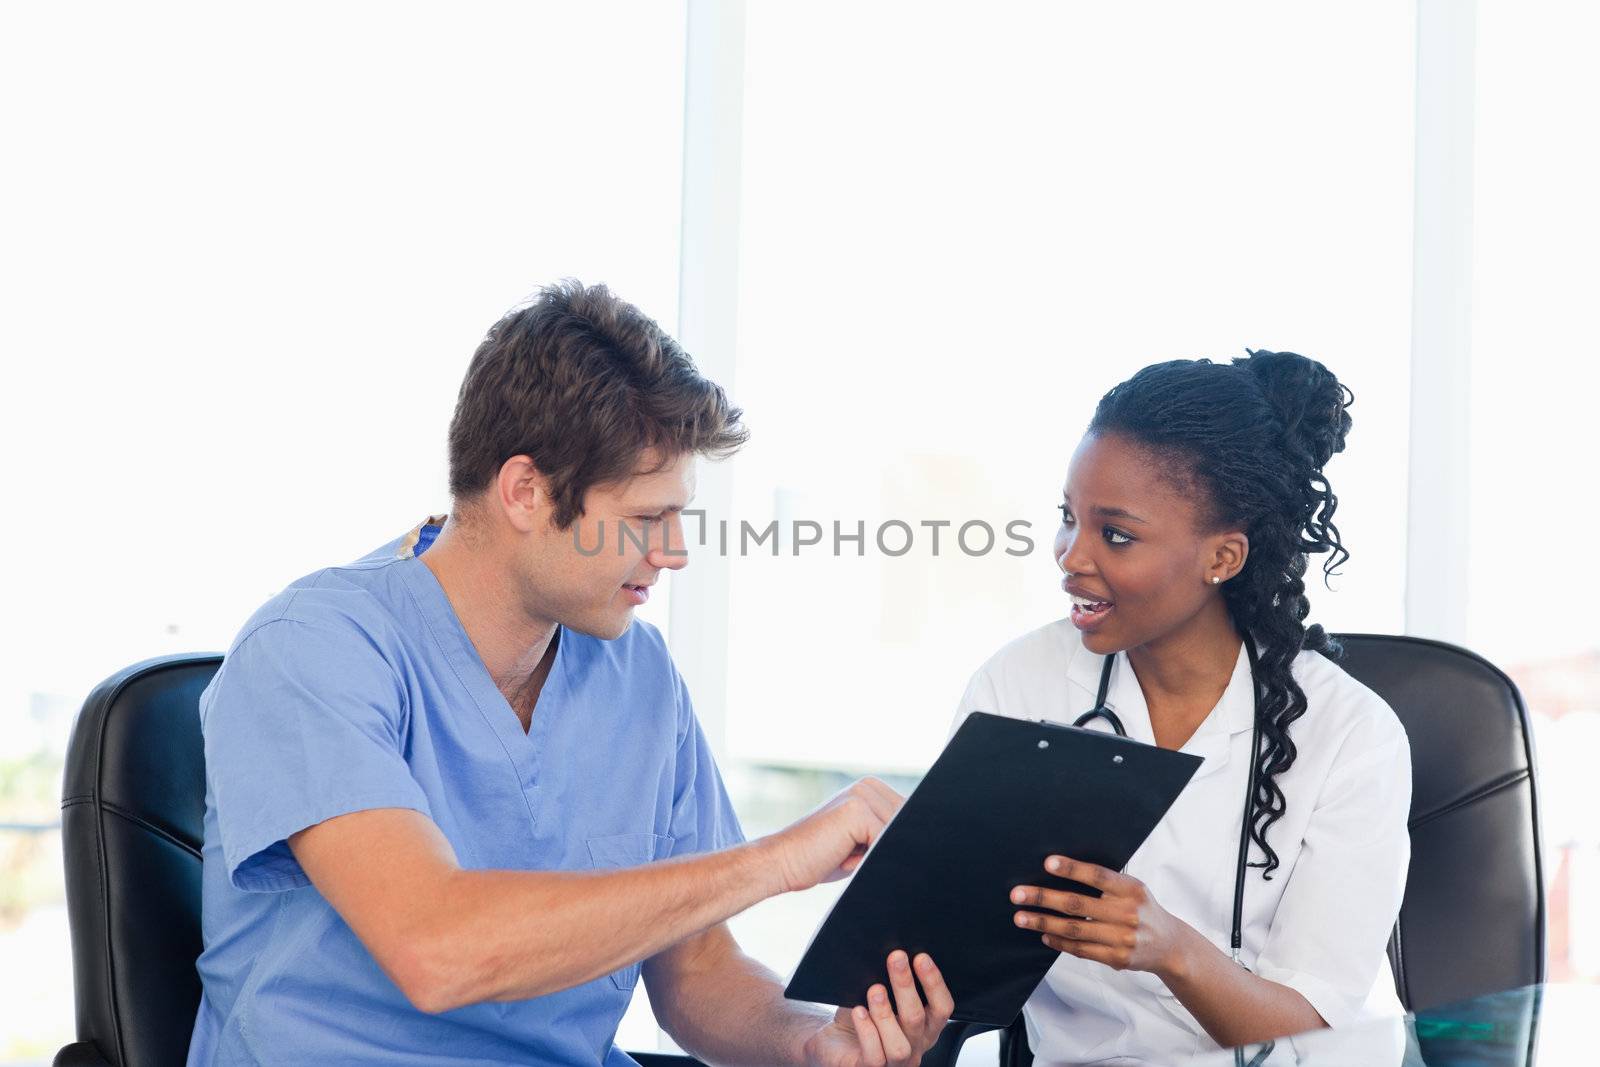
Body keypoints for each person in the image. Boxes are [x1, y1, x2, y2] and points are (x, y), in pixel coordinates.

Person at [187, 281, 954, 1067]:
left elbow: (698, 971)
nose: (674, 551)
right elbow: (436, 948)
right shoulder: (313, 646)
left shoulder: (640, 674)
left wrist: (812, 1044)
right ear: (525, 491)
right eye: (645, 518)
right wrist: (774, 860)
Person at [954, 351, 1411, 1065]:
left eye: (1117, 534)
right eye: (1067, 518)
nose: (1071, 557)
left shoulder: (1353, 734)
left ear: (1223, 557)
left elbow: (1311, 1024)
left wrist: (1171, 949)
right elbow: (957, 937)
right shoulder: (1015, 689)